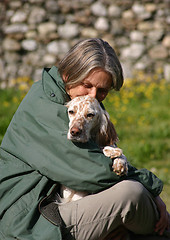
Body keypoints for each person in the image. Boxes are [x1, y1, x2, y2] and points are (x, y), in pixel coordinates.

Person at [0, 38, 169, 240]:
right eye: (87, 85)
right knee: (131, 195)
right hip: (29, 221)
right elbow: (92, 171)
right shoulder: (46, 107)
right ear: (68, 74)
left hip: (49, 207)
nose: (94, 95)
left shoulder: (75, 101)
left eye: (103, 90)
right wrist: (150, 187)